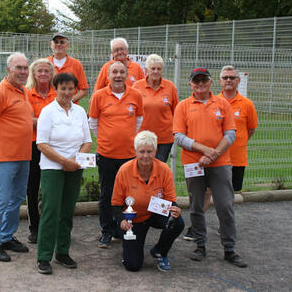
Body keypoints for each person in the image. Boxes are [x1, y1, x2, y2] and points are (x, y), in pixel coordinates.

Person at [173, 67, 248, 268]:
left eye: (204, 80)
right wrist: (204, 150)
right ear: (190, 84)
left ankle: (229, 249)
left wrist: (214, 153)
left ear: (210, 82)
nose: (200, 84)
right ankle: (200, 245)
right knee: (196, 205)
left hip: (220, 163)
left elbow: (230, 133)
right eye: (196, 81)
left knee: (225, 205)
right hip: (193, 163)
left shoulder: (222, 104)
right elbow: (179, 137)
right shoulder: (183, 106)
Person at [183, 66, 258, 242]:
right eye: (226, 77)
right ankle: (197, 229)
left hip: (234, 157)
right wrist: (209, 152)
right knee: (205, 194)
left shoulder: (246, 104)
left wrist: (231, 146)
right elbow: (181, 135)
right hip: (202, 160)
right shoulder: (212, 101)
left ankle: (224, 230)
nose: (229, 80)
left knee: (226, 198)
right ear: (220, 80)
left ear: (238, 80)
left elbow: (251, 129)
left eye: (232, 77)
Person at [35, 73, 92, 275]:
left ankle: (62, 252)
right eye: (63, 88)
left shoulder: (79, 111)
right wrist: (64, 161)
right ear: (55, 89)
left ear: (75, 90)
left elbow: (87, 141)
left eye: (70, 89)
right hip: (52, 168)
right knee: (51, 211)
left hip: (75, 168)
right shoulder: (47, 112)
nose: (67, 92)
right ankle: (43, 256)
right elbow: (41, 143)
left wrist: (75, 161)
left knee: (67, 211)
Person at [0, 52, 32, 262]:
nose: (22, 72)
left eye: (25, 68)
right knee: (2, 199)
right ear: (8, 70)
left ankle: (6, 236)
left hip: (24, 155)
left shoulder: (24, 92)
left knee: (17, 198)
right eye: (18, 68)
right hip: (6, 156)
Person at [88, 61, 144, 248]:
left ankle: (123, 228)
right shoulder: (98, 96)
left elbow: (138, 120)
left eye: (121, 72)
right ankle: (107, 230)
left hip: (129, 155)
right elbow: (93, 123)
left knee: (128, 194)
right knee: (107, 194)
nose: (118, 75)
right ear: (108, 76)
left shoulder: (135, 95)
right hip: (106, 154)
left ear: (127, 74)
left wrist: (127, 138)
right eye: (114, 72)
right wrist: (106, 139)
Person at [112, 131, 184, 272]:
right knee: (133, 265)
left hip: (155, 214)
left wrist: (175, 210)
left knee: (177, 222)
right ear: (136, 151)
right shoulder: (124, 170)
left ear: (156, 151)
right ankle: (128, 247)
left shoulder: (164, 169)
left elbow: (170, 200)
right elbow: (115, 204)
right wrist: (122, 221)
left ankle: (160, 251)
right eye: (142, 151)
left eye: (150, 151)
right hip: (133, 220)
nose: (145, 156)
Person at [24, 58, 56, 244]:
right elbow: (27, 120)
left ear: (52, 74)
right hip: (33, 145)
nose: (43, 74)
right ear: (33, 74)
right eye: (39, 71)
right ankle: (34, 227)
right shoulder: (27, 94)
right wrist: (50, 122)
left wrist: (39, 121)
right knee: (32, 187)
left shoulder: (57, 94)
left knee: (51, 187)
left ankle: (49, 224)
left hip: (53, 146)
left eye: (46, 71)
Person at [132, 54, 179, 162]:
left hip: (164, 138)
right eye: (153, 68)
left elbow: (176, 111)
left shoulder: (170, 86)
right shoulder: (137, 86)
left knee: (159, 168)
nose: (156, 71)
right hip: (142, 137)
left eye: (159, 69)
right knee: (142, 167)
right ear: (146, 70)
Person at [47, 33, 89, 103]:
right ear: (51, 44)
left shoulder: (76, 64)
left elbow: (83, 90)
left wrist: (69, 101)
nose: (59, 44)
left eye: (62, 42)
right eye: (56, 42)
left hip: (70, 109)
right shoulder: (45, 63)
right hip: (49, 106)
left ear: (68, 45)